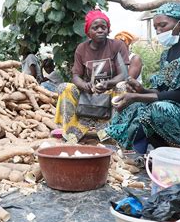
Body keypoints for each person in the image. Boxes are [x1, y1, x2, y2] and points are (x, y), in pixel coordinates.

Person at [105, 3, 180, 152]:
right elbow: (163, 90)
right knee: (133, 106)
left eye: (162, 25)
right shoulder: (166, 54)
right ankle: (128, 149)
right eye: (156, 27)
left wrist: (138, 96)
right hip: (174, 108)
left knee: (158, 109)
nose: (158, 31)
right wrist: (142, 90)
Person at [54, 9, 129, 143]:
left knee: (122, 86)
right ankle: (72, 131)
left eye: (103, 27)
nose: (100, 30)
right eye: (95, 28)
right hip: (88, 93)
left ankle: (112, 132)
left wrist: (108, 84)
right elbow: (76, 75)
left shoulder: (117, 45)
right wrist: (84, 85)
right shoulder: (81, 49)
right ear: (88, 32)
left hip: (110, 91)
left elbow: (123, 74)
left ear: (108, 29)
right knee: (65, 87)